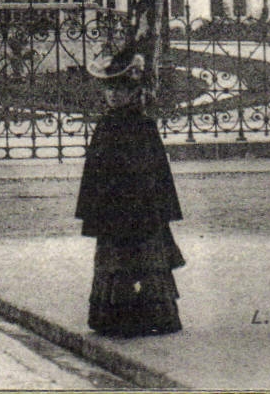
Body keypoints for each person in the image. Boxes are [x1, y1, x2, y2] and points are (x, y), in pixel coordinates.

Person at [75, 50, 185, 337]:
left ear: (133, 91)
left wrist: (150, 205)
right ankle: (113, 317)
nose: (113, 95)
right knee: (115, 261)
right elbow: (94, 171)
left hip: (141, 209)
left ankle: (153, 316)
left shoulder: (143, 126)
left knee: (146, 258)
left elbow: (156, 172)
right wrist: (96, 204)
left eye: (120, 89)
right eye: (109, 88)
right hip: (112, 210)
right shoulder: (105, 126)